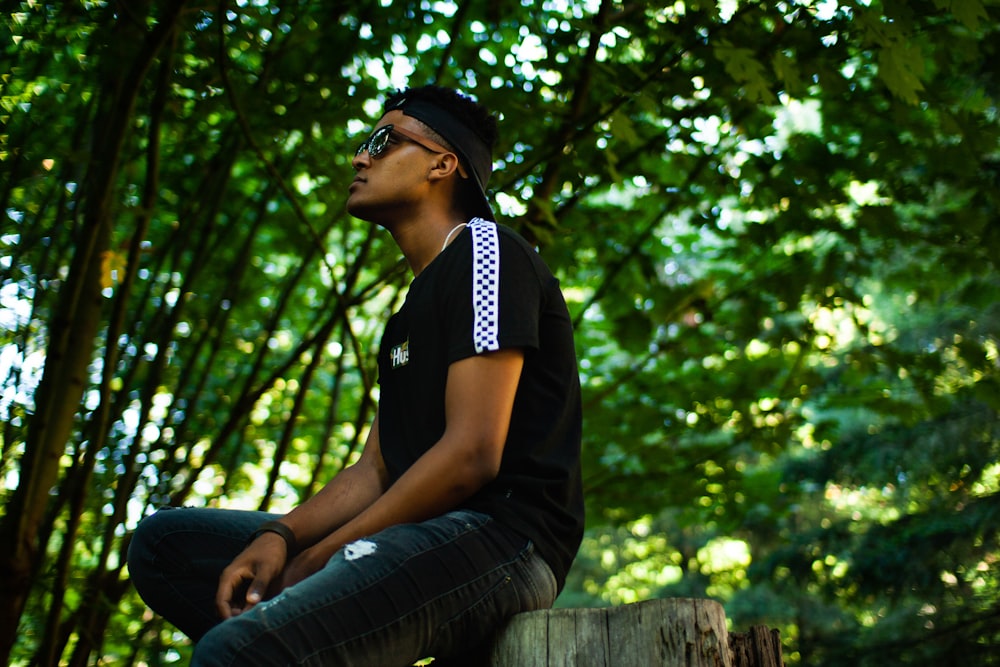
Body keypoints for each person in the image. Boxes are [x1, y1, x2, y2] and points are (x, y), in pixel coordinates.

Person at [127, 85, 584, 666]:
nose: (359, 157)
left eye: (383, 141)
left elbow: (472, 453)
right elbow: (377, 468)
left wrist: (327, 555)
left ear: (443, 165)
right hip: (421, 534)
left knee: (239, 653)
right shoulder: (408, 314)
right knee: (165, 545)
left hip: (504, 540)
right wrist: (284, 537)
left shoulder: (489, 254)